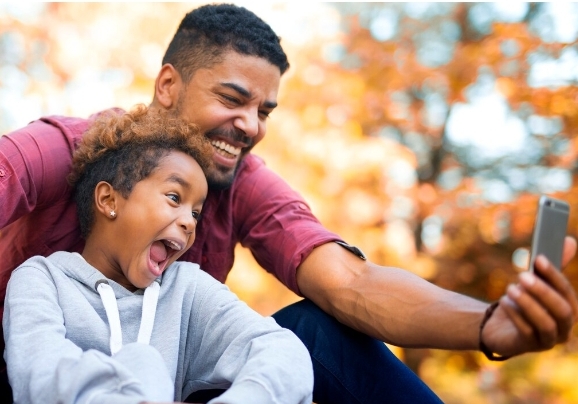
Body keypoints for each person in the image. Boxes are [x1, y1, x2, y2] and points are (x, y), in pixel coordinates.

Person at [0, 3, 576, 403]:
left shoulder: (239, 184)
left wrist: (489, 325)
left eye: (265, 111)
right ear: (169, 86)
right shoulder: (67, 153)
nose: (250, 125)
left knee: (317, 331)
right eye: (232, 98)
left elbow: (350, 283)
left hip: (172, 388)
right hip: (27, 374)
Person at [2, 105, 314, 404]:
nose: (190, 222)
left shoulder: (186, 291)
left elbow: (281, 352)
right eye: (174, 197)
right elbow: (39, 373)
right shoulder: (40, 279)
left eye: (196, 212)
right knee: (142, 361)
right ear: (109, 200)